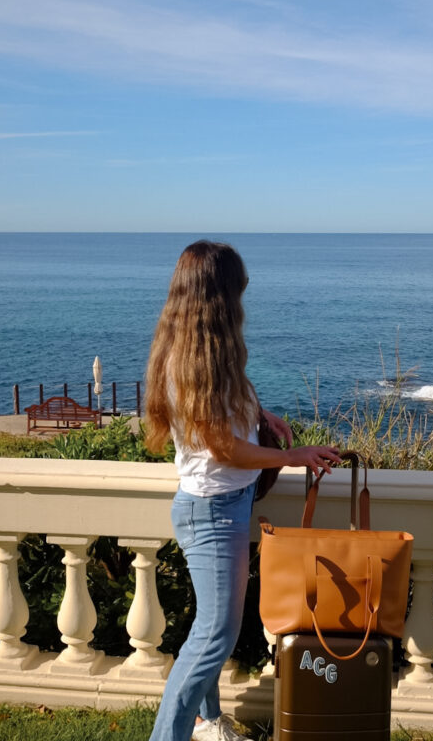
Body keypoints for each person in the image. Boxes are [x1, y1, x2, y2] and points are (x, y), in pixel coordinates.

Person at [145, 240, 340, 741]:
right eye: (237, 293)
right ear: (219, 297)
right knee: (215, 637)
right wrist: (291, 457)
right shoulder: (194, 361)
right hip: (212, 512)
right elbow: (222, 448)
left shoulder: (198, 350)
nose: (241, 305)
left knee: (208, 627)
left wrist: (259, 413)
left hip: (224, 506)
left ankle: (209, 723)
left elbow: (221, 411)